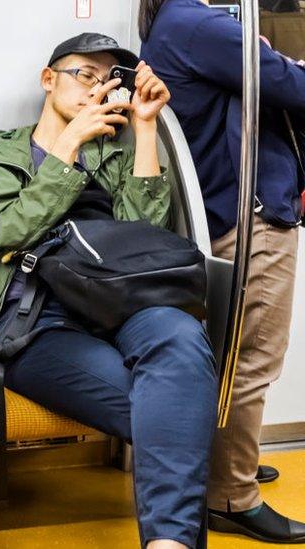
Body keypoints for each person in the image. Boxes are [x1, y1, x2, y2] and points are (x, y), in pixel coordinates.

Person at [0, 33, 217, 549]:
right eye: (84, 74)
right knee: (175, 406)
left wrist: (144, 129)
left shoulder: (114, 156)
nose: (95, 88)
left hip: (118, 304)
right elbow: (12, 231)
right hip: (34, 319)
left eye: (106, 80)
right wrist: (68, 144)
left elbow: (147, 240)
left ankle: (168, 545)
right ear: (47, 78)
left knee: (183, 338)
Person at [140, 0, 305, 542]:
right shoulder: (197, 24)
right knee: (253, 358)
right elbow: (288, 85)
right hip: (247, 215)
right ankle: (231, 495)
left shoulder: (176, 22)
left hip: (222, 210)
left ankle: (229, 463)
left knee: (232, 356)